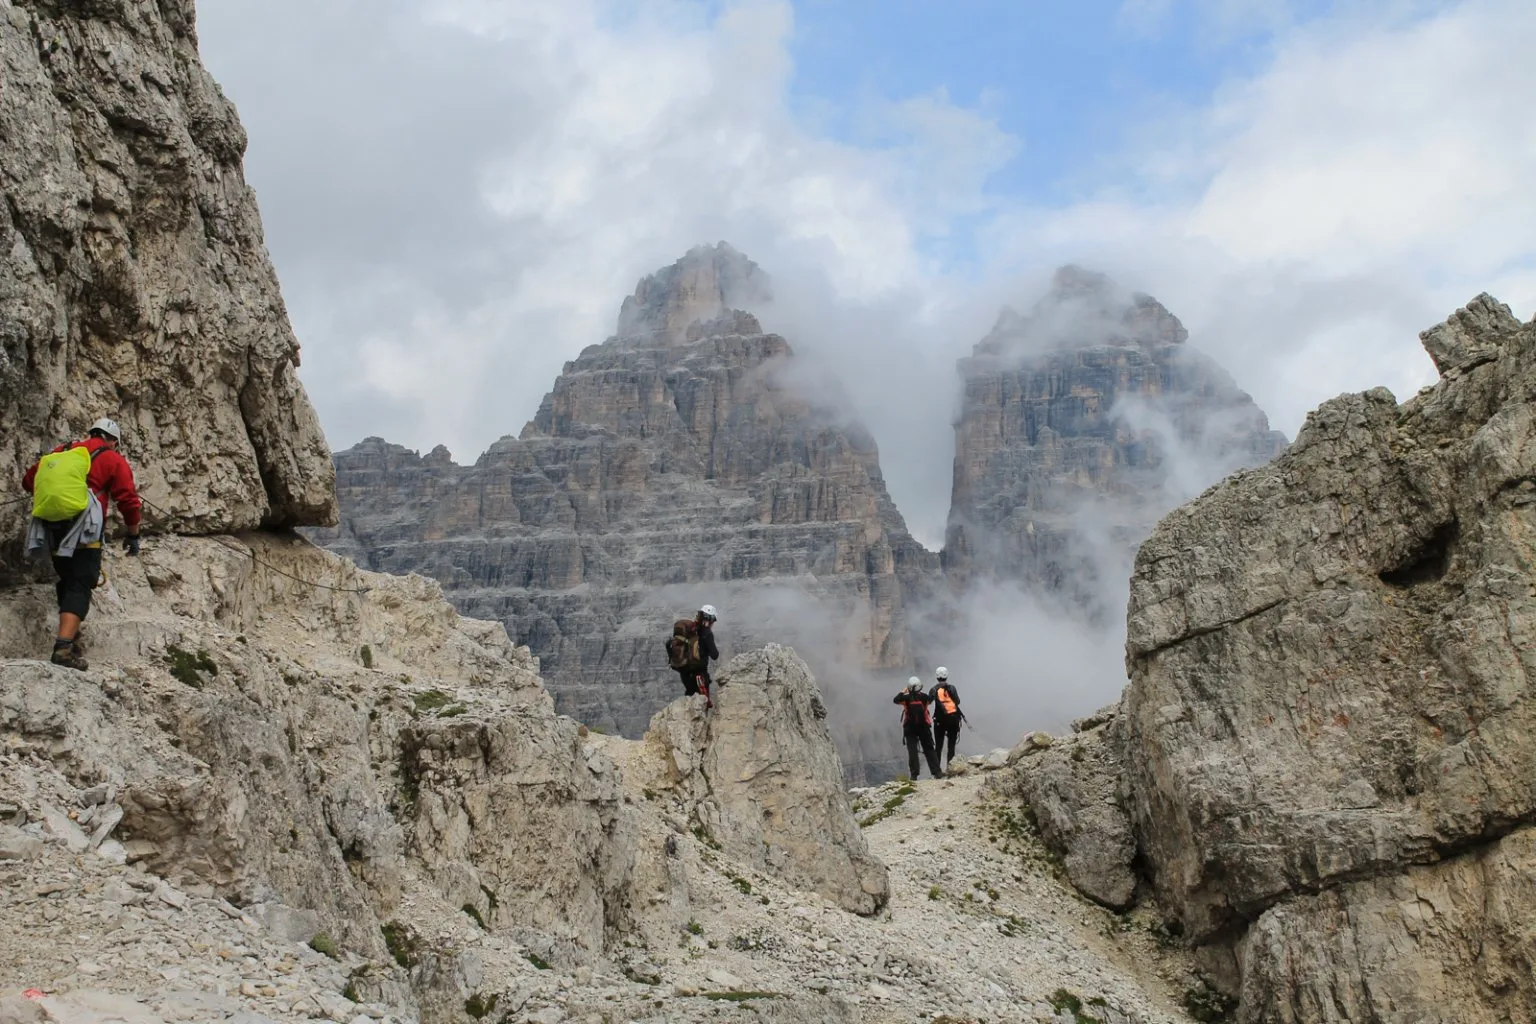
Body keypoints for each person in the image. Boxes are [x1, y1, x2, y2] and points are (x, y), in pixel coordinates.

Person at [21, 418, 142, 671]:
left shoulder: (63, 451)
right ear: (113, 441)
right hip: (84, 529)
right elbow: (128, 500)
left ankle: (71, 637)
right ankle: (63, 649)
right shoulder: (112, 458)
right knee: (80, 582)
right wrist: (133, 534)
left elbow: (29, 481)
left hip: (52, 526)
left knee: (67, 579)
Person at [667, 604, 720, 709]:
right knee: (703, 702)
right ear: (710, 619)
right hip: (699, 671)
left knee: (690, 696)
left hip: (684, 669)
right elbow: (715, 655)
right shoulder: (707, 633)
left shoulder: (690, 630)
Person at [893, 676, 942, 780]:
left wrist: (903, 691)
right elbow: (931, 700)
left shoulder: (905, 698)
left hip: (910, 727)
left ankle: (914, 775)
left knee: (912, 751)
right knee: (929, 749)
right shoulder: (924, 697)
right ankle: (937, 772)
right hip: (923, 726)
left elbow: (896, 700)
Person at [930, 666, 964, 773]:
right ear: (947, 676)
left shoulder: (934, 689)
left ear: (937, 677)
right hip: (953, 719)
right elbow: (957, 701)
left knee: (938, 746)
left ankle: (937, 772)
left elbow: (929, 701)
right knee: (951, 746)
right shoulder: (952, 688)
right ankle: (951, 769)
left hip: (940, 721)